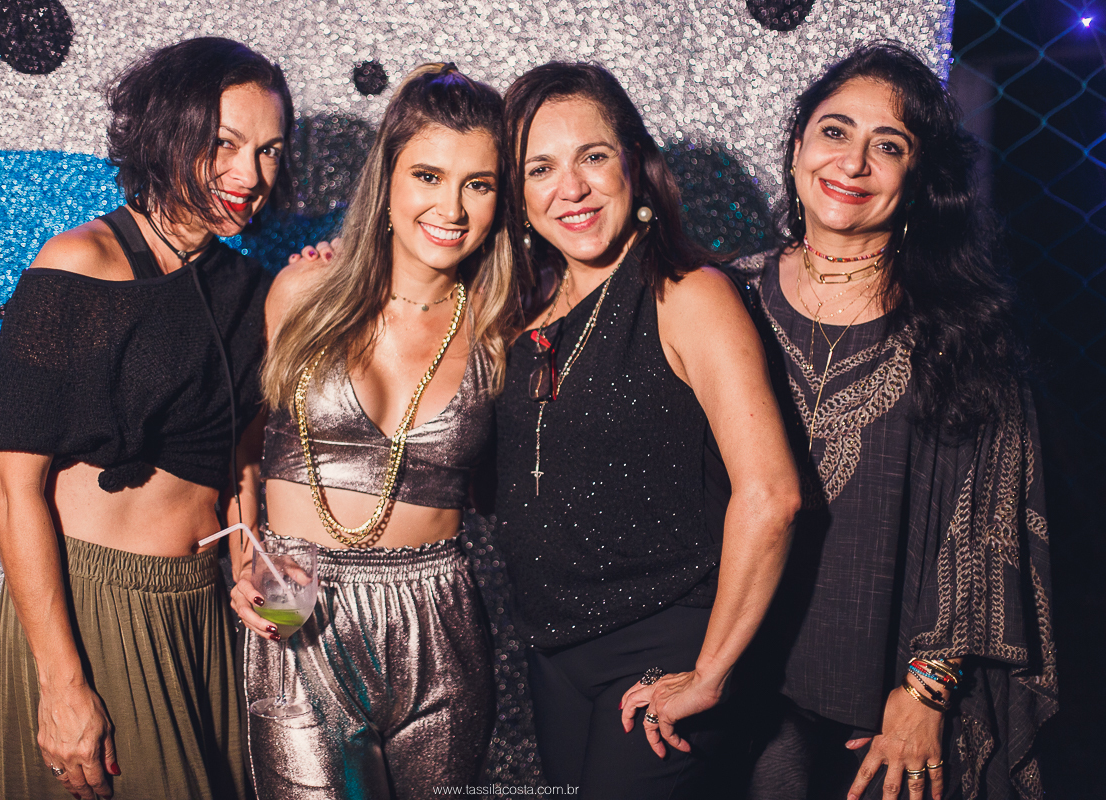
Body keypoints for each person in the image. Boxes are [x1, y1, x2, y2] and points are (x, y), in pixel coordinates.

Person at [726, 43, 1057, 800]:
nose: (853, 163)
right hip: (735, 674)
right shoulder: (726, 298)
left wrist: (926, 693)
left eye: (889, 145)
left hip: (886, 704)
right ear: (797, 146)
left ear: (920, 178)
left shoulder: (963, 327)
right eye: (835, 131)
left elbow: (989, 525)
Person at [0, 37, 292, 800]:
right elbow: (12, 490)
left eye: (270, 151)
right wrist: (62, 684)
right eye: (225, 144)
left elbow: (239, 459)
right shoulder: (77, 265)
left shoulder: (248, 286)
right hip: (96, 608)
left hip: (200, 608)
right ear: (166, 132)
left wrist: (250, 562)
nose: (251, 175)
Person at [485, 62, 801, 797]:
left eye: (592, 156)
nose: (571, 188)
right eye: (540, 168)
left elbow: (772, 495)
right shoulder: (522, 312)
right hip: (553, 654)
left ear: (634, 162)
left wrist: (710, 672)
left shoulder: (688, 294)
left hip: (663, 642)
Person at [229, 63, 517, 799]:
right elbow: (243, 453)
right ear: (386, 179)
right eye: (428, 176)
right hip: (300, 610)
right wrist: (246, 561)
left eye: (479, 184)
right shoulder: (301, 291)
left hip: (439, 618)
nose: (451, 207)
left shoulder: (501, 327)